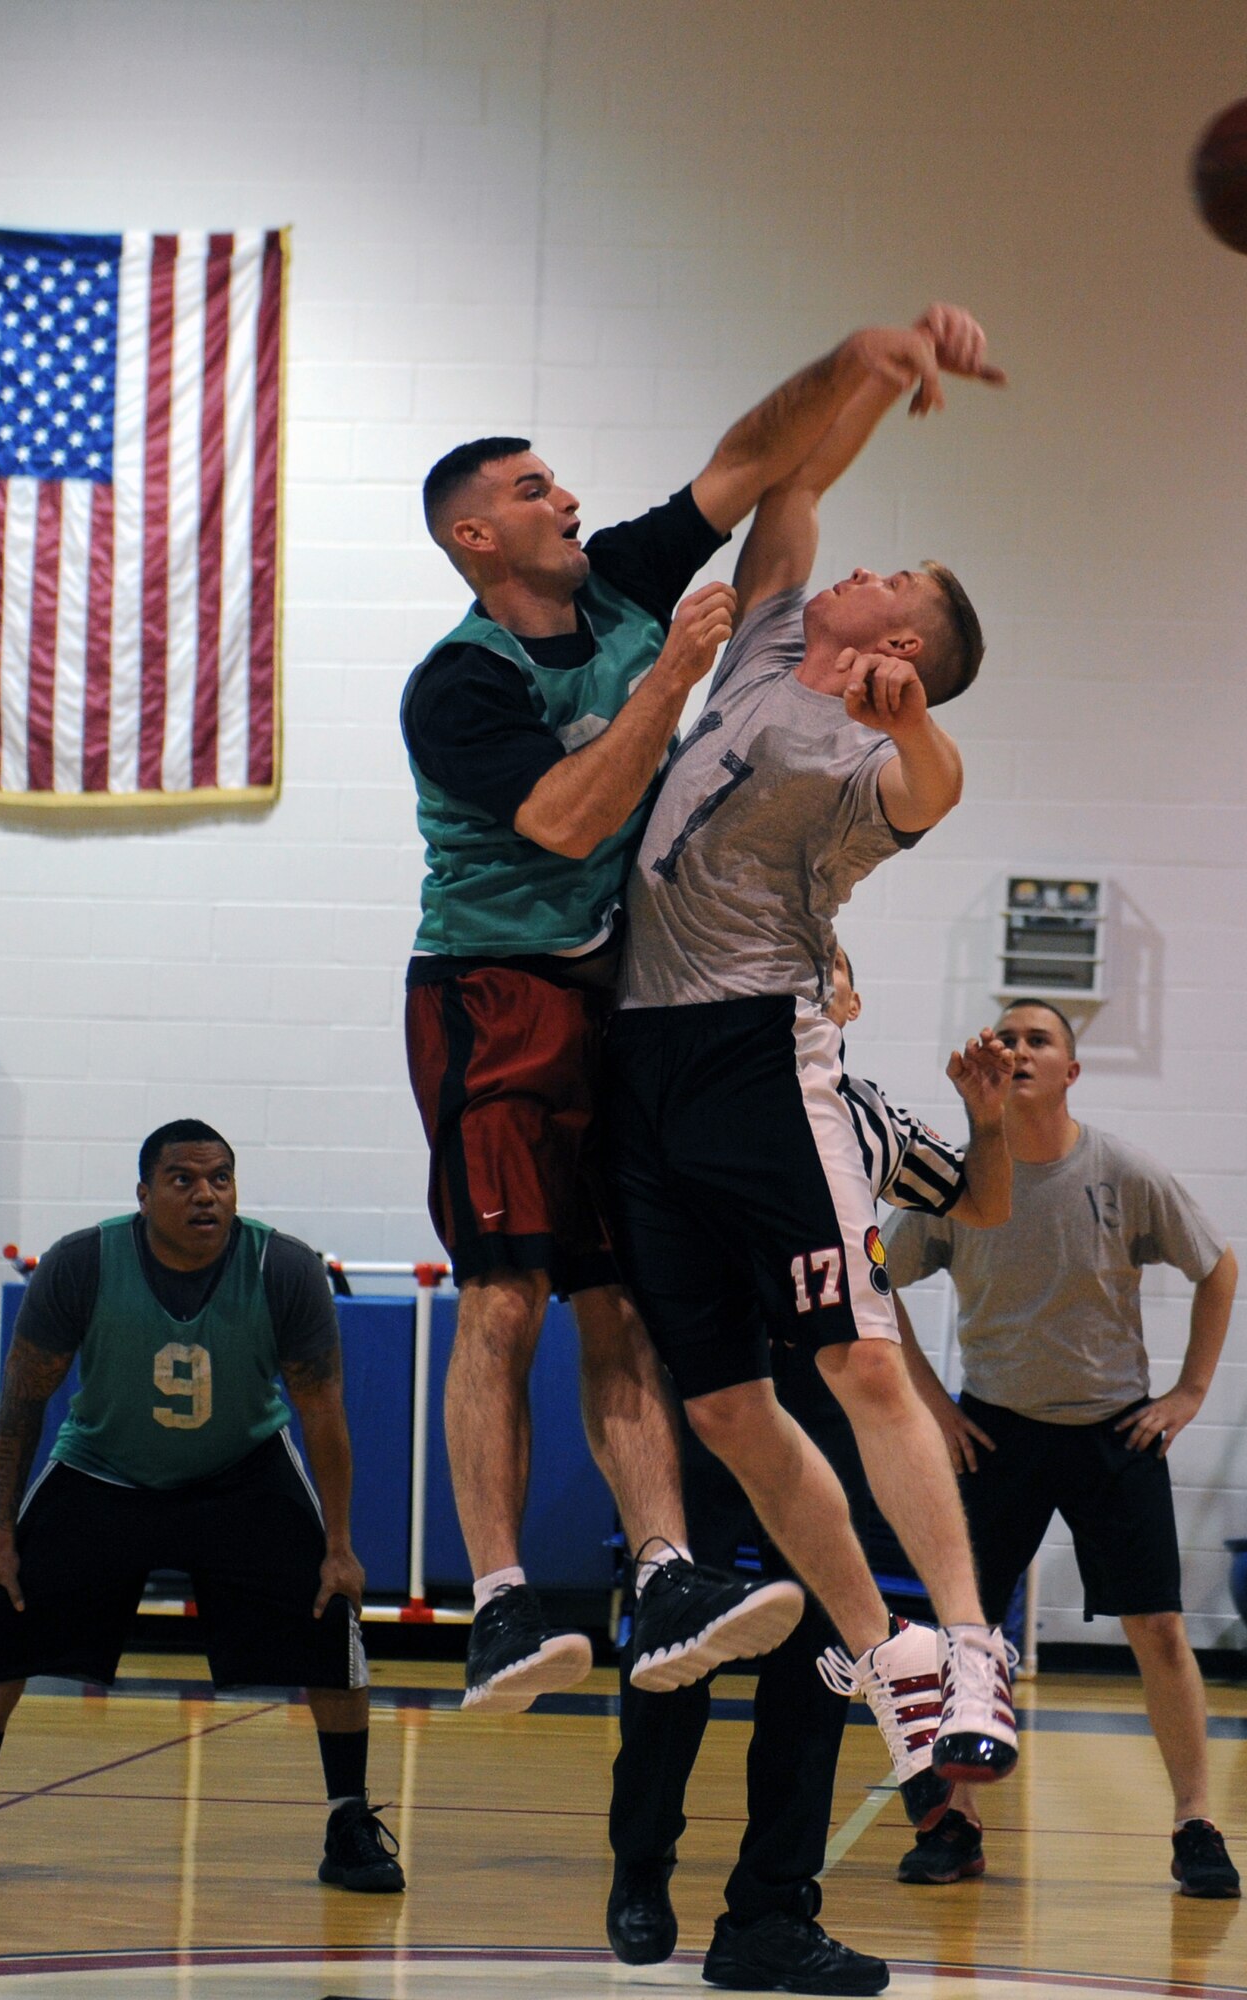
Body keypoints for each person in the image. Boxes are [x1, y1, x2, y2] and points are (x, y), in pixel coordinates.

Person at [406, 316, 959, 1712]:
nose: (568, 499)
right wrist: (668, 679)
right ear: (475, 538)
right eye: (532, 491)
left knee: (622, 1305)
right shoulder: (461, 682)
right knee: (505, 1288)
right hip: (496, 985)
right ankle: (496, 1598)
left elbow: (755, 469)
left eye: (559, 482)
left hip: (642, 1005)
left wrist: (863, 363)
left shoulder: (633, 588)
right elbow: (566, 815)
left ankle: (663, 1575)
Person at [603, 301, 1020, 1841]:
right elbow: (785, 493)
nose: (857, 563)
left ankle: (969, 1642)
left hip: (750, 1049)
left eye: (888, 580)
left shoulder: (866, 751)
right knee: (718, 1404)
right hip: (639, 1056)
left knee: (852, 1355)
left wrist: (915, 732)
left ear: (899, 645)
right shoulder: (777, 634)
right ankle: (883, 1652)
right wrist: (873, 362)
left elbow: (937, 791)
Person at [606, 944, 1013, 1996]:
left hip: (818, 1402)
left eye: (817, 966)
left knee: (823, 1665)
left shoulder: (861, 1114)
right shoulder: (681, 1088)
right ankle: (639, 1861)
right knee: (676, 1642)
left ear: (844, 995)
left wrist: (991, 1116)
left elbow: (976, 1200)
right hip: (707, 1400)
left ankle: (770, 1911)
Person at [0, 1121, 404, 1894]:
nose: (205, 1194)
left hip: (240, 1472)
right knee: (4, 1611)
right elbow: (19, 1407)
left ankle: (348, 1824)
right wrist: (1, 1534)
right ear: (144, 1195)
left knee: (329, 1612)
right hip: (102, 1468)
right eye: (183, 1180)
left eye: (220, 1179)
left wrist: (339, 1543)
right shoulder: (81, 1263)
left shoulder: (284, 1267)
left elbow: (324, 1414)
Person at [885, 999, 1243, 1899]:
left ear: (1071, 1072)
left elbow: (1218, 1267)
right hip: (993, 1432)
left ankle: (1195, 1823)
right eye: (1003, 1038)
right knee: (965, 1638)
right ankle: (955, 1825)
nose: (1015, 1050)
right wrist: (930, 1404)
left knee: (1158, 1629)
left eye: (1036, 1038)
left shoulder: (1119, 1170)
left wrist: (1189, 1393)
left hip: (1112, 1430)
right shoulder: (960, 1180)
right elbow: (874, 1280)